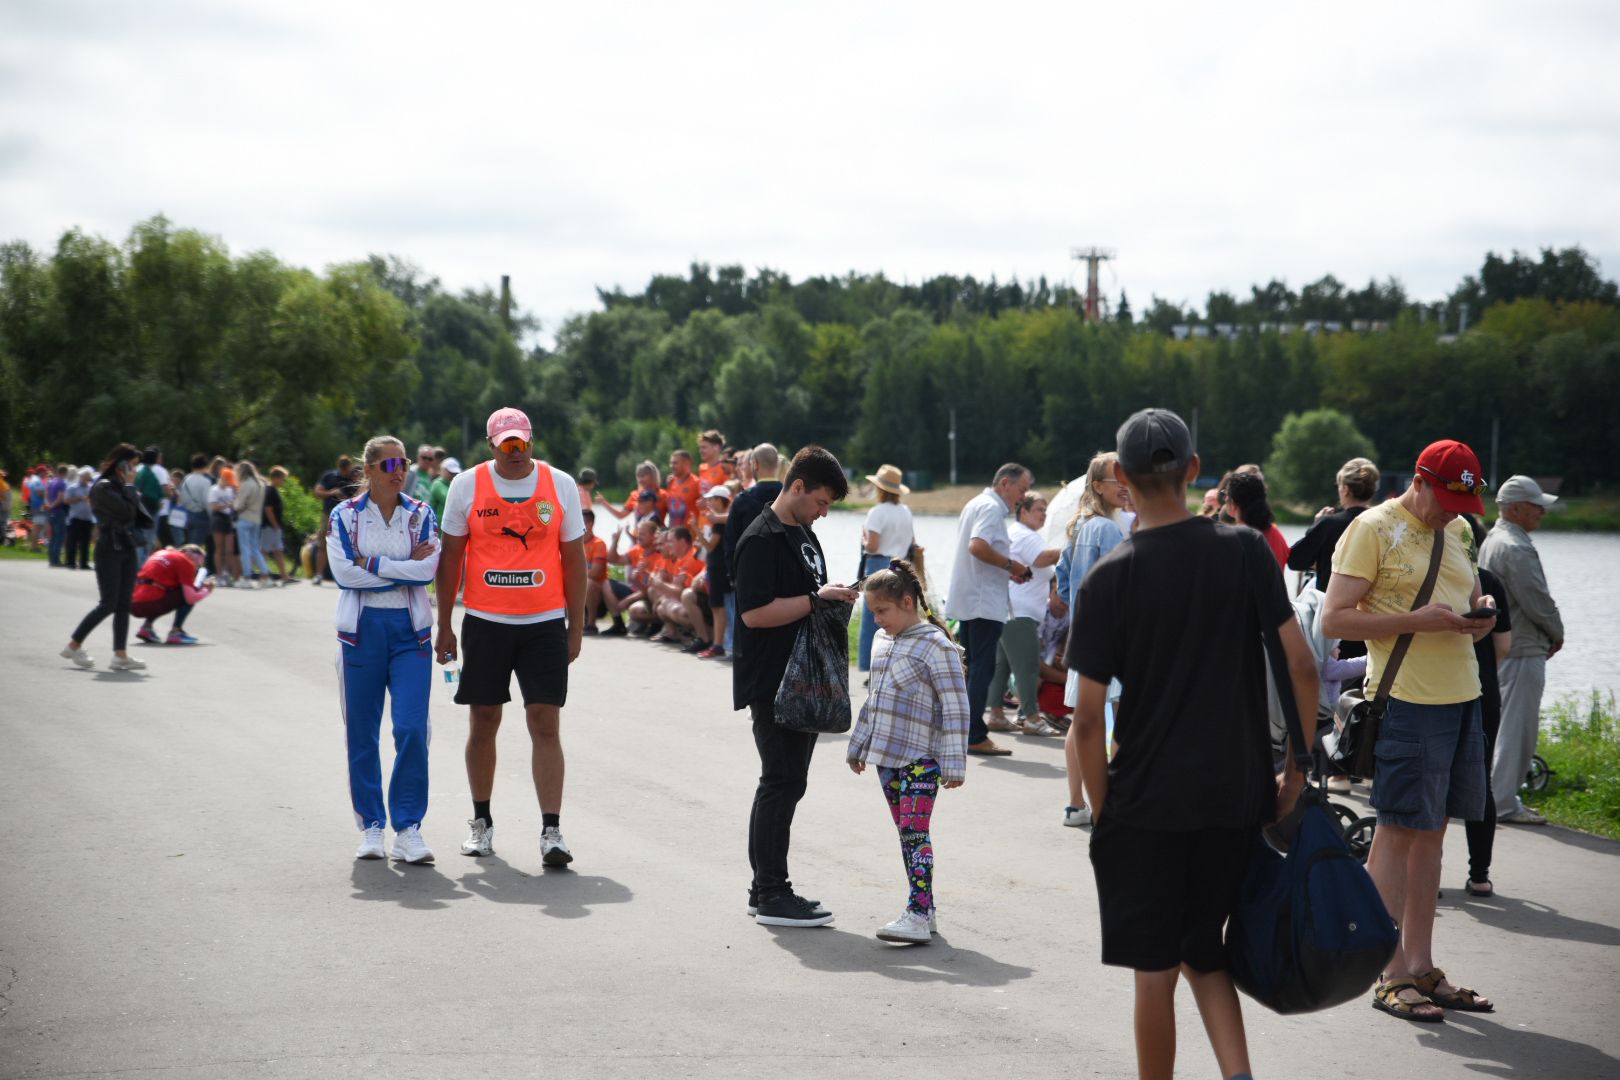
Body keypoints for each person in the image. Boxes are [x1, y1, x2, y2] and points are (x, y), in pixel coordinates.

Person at [1068, 408, 1320, 1080]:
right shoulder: (1243, 550)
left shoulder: (1108, 579)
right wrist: (1294, 772)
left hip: (1147, 801)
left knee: (1155, 971)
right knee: (1204, 950)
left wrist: (1102, 808)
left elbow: (1087, 719)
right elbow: (1301, 665)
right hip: (1234, 795)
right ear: (1193, 471)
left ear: (1120, 478)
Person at [1323, 438, 1497, 1022]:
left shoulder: (1462, 530)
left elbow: (1466, 595)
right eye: (1445, 499)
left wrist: (1481, 612)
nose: (1452, 512)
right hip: (1404, 701)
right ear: (1418, 481)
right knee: (1396, 834)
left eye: (1462, 504)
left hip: (1462, 697)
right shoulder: (1372, 528)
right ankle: (1387, 970)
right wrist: (1414, 622)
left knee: (1432, 835)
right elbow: (1333, 619)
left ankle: (1420, 965)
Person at [434, 407, 587, 867]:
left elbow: (575, 561)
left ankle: (552, 831)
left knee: (545, 722)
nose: (516, 452)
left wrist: (575, 627)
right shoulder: (466, 486)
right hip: (485, 621)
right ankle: (481, 824)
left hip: (542, 625)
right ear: (492, 446)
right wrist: (445, 625)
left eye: (521, 443)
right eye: (507, 445)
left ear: (531, 442)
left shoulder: (559, 485)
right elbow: (450, 562)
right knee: (484, 721)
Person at [733, 445, 857, 927]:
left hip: (802, 677)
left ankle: (761, 886)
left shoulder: (802, 533)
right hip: (772, 680)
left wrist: (830, 597)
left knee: (787, 783)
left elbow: (807, 597)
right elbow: (754, 614)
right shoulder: (761, 539)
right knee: (780, 781)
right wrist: (814, 600)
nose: (824, 514)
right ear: (797, 486)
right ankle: (772, 893)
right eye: (821, 502)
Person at [328, 436, 441, 863]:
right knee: (362, 732)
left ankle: (408, 826)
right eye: (390, 462)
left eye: (405, 462)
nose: (400, 470)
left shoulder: (421, 514)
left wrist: (371, 564)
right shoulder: (345, 515)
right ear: (370, 469)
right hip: (360, 632)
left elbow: (427, 568)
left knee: (412, 728)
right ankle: (372, 826)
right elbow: (344, 575)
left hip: (410, 633)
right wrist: (402, 569)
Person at [847, 559, 969, 944]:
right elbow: (875, 698)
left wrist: (953, 763)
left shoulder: (937, 646)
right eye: (872, 613)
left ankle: (917, 913)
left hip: (923, 758)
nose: (877, 620)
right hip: (886, 756)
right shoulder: (882, 642)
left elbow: (955, 706)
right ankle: (926, 908)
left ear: (906, 601)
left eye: (882, 611)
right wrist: (859, 743)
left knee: (915, 832)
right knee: (906, 833)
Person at [1479, 475, 1564, 828]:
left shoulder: (1492, 540)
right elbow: (1537, 601)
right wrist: (1557, 632)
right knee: (1518, 728)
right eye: (1535, 505)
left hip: (1502, 648)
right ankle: (1503, 803)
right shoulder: (1516, 546)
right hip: (1523, 647)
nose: (1541, 510)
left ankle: (1495, 796)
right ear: (1515, 508)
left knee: (1501, 727)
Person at [946, 463, 1035, 757]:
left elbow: (978, 552)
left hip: (971, 596)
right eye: (1021, 490)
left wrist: (1005, 569)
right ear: (1005, 483)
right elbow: (978, 546)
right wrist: (1012, 565)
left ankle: (964, 732)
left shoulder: (976, 502)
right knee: (982, 670)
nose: (1022, 497)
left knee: (972, 669)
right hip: (983, 602)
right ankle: (974, 735)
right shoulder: (992, 508)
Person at [62, 444, 153, 673]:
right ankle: (74, 645)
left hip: (127, 545)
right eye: (132, 465)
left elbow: (143, 518)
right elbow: (126, 512)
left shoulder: (124, 487)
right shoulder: (103, 487)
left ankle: (120, 655)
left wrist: (130, 488)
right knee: (108, 603)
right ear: (121, 464)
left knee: (124, 604)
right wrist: (131, 488)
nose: (135, 470)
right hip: (109, 547)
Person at [1461, 516, 1513, 896]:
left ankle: (1425, 873)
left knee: (1434, 784)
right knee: (1481, 782)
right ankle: (1480, 875)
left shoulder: (1439, 581)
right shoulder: (1490, 582)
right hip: (1484, 693)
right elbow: (1503, 647)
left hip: (1438, 691)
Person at [987, 492, 1062, 736]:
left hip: (1010, 611)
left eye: (1045, 510)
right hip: (1020, 614)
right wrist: (1072, 546)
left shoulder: (1020, 533)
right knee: (1028, 667)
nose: (1044, 514)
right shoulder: (1025, 534)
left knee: (1003, 666)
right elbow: (1042, 559)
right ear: (1024, 511)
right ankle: (1031, 718)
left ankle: (996, 715)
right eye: (1039, 509)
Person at [724, 443, 783, 661]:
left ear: (754, 464)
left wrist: (733, 575)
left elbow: (730, 543)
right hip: (783, 576)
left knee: (749, 634)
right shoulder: (789, 498)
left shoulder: (743, 501)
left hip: (749, 575)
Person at [857, 464, 916, 673]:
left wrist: (864, 540)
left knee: (873, 618)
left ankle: (870, 665)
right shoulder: (906, 512)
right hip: (900, 566)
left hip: (877, 564)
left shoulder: (877, 512)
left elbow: (872, 545)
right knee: (897, 617)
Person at [1288, 456, 1379, 593]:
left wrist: (1316, 526)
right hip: (1371, 608)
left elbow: (1295, 561)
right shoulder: (1383, 522)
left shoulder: (1329, 524)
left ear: (1346, 489)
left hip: (1332, 605)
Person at [132, 544, 214, 645]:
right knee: (191, 592)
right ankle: (176, 632)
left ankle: (146, 627)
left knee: (161, 591)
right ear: (190, 554)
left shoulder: (160, 553)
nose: (196, 567)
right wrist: (206, 590)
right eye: (197, 564)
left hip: (134, 603)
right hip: (151, 602)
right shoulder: (185, 561)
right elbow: (190, 598)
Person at [695, 485, 734, 659]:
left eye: (712, 499)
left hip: (719, 568)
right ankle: (722, 643)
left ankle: (719, 645)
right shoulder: (720, 521)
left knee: (718, 607)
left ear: (720, 501)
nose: (709, 502)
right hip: (718, 567)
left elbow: (711, 546)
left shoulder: (719, 523)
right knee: (720, 606)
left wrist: (696, 531)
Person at [1224, 471, 1288, 569]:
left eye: (1225, 493)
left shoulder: (1234, 539)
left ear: (1233, 503)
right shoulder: (1276, 535)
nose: (1224, 498)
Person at [312, 455, 359, 585]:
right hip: (329, 514)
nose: (345, 472)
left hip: (349, 516)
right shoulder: (329, 476)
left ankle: (348, 575)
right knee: (323, 544)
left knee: (350, 546)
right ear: (339, 467)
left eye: (347, 469)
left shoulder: (354, 478)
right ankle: (319, 575)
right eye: (343, 470)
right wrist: (332, 493)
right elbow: (317, 492)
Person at [234, 461, 273, 587]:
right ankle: (265, 575)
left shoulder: (246, 484)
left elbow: (239, 504)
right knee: (255, 548)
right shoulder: (261, 484)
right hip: (257, 519)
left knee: (245, 549)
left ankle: (247, 577)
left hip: (245, 518)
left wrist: (233, 504)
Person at [261, 466, 296, 584]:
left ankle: (284, 576)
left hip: (274, 527)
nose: (283, 482)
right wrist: (274, 524)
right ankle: (263, 577)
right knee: (265, 550)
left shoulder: (274, 489)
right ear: (275, 478)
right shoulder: (270, 490)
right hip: (270, 527)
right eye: (282, 479)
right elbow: (268, 509)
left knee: (278, 551)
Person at [208, 465, 241, 586]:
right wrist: (228, 504)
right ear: (223, 478)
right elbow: (214, 506)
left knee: (230, 549)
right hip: (218, 518)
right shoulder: (214, 489)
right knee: (219, 548)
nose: (229, 483)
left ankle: (227, 573)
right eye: (228, 481)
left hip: (228, 519)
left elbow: (234, 503)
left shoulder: (229, 490)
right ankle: (219, 574)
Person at [580, 507, 611, 636]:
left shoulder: (598, 544)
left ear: (589, 524)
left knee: (589, 583)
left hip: (598, 595)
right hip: (579, 588)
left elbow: (595, 573)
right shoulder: (574, 543)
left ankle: (591, 624)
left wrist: (574, 574)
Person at [62, 468, 95, 571]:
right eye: (87, 476)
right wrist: (79, 498)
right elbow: (66, 500)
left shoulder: (91, 488)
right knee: (73, 540)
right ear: (81, 476)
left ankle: (84, 563)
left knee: (85, 541)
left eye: (89, 476)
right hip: (76, 517)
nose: (89, 478)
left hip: (88, 518)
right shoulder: (73, 487)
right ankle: (71, 562)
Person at [177, 453, 213, 547]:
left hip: (188, 515)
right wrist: (212, 516)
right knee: (196, 547)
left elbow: (182, 498)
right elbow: (207, 501)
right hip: (202, 516)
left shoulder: (186, 479)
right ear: (204, 466)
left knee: (189, 545)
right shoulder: (206, 481)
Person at [665, 449, 703, 531]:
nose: (671, 466)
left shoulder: (697, 483)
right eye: (671, 463)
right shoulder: (671, 482)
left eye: (675, 463)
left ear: (687, 463)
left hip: (690, 536)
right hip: (672, 535)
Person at [45, 464, 69, 567]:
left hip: (50, 511)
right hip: (58, 511)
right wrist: (52, 506)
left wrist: (48, 505)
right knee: (59, 536)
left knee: (53, 536)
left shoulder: (51, 482)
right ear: (65, 473)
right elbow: (60, 498)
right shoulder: (62, 483)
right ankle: (56, 560)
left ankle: (51, 559)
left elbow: (46, 495)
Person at [428, 455, 458, 529]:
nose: (453, 474)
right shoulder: (437, 484)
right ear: (443, 470)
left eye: (454, 472)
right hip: (437, 528)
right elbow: (448, 499)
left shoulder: (453, 484)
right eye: (450, 472)